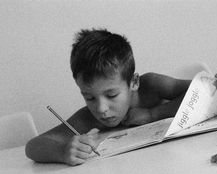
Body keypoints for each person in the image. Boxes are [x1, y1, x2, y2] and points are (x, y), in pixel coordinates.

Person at [25, 28, 191, 166]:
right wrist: (62, 151)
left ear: (133, 82)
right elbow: (33, 147)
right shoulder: (88, 118)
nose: (101, 109)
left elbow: (201, 91)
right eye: (89, 98)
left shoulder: (152, 86)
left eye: (111, 95)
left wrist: (152, 114)